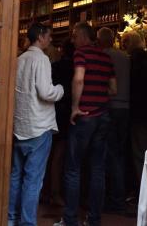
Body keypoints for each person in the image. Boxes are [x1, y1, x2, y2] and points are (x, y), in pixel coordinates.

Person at [55, 22, 116, 226]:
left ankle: (70, 219)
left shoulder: (80, 54)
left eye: (74, 36)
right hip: (103, 116)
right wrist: (99, 94)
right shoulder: (106, 57)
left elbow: (79, 79)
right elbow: (113, 89)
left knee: (73, 168)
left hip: (84, 116)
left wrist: (75, 107)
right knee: (97, 169)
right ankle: (94, 219)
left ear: (82, 36)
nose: (73, 40)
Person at [9, 23, 64, 226]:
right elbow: (45, 92)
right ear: (40, 36)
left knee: (16, 175)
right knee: (33, 179)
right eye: (49, 36)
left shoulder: (19, 59)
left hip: (19, 126)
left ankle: (11, 218)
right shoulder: (41, 59)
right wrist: (60, 89)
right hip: (38, 126)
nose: (50, 39)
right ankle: (27, 222)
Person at [97, 26, 130, 214]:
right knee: (120, 154)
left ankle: (112, 199)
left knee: (109, 154)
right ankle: (120, 196)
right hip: (125, 107)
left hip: (109, 106)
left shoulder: (102, 57)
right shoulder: (125, 57)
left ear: (100, 41)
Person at [121, 31, 147, 189]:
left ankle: (145, 190)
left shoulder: (133, 60)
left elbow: (132, 85)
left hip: (137, 110)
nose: (123, 45)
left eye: (125, 42)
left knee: (139, 151)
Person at [49, 38, 75, 206]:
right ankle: (62, 192)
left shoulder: (55, 66)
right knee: (67, 154)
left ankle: (53, 191)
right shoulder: (77, 67)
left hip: (56, 111)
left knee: (56, 154)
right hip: (72, 112)